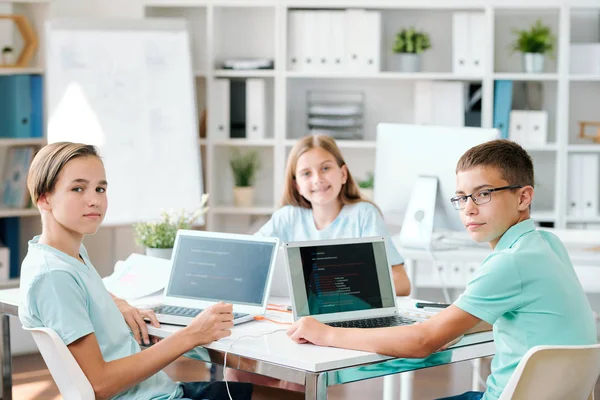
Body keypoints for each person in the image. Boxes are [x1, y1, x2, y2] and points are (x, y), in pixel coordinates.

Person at [286, 139, 597, 400]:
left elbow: (422, 343)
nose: (469, 208)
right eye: (462, 198)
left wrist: (325, 333)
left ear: (523, 197)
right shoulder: (545, 243)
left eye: (483, 194)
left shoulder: (510, 262)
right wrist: (447, 324)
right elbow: (511, 318)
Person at [18, 142, 295, 400]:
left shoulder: (63, 255)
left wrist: (117, 305)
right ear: (44, 199)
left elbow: (83, 293)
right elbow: (99, 385)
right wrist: (192, 334)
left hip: (162, 390)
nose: (94, 200)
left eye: (100, 189)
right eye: (78, 189)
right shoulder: (54, 277)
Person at [256, 134, 411, 296]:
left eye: (325, 168)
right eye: (306, 173)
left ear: (343, 174)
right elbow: (249, 255)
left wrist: (343, 285)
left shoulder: (364, 215)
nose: (318, 179)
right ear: (297, 186)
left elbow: (402, 283)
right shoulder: (286, 217)